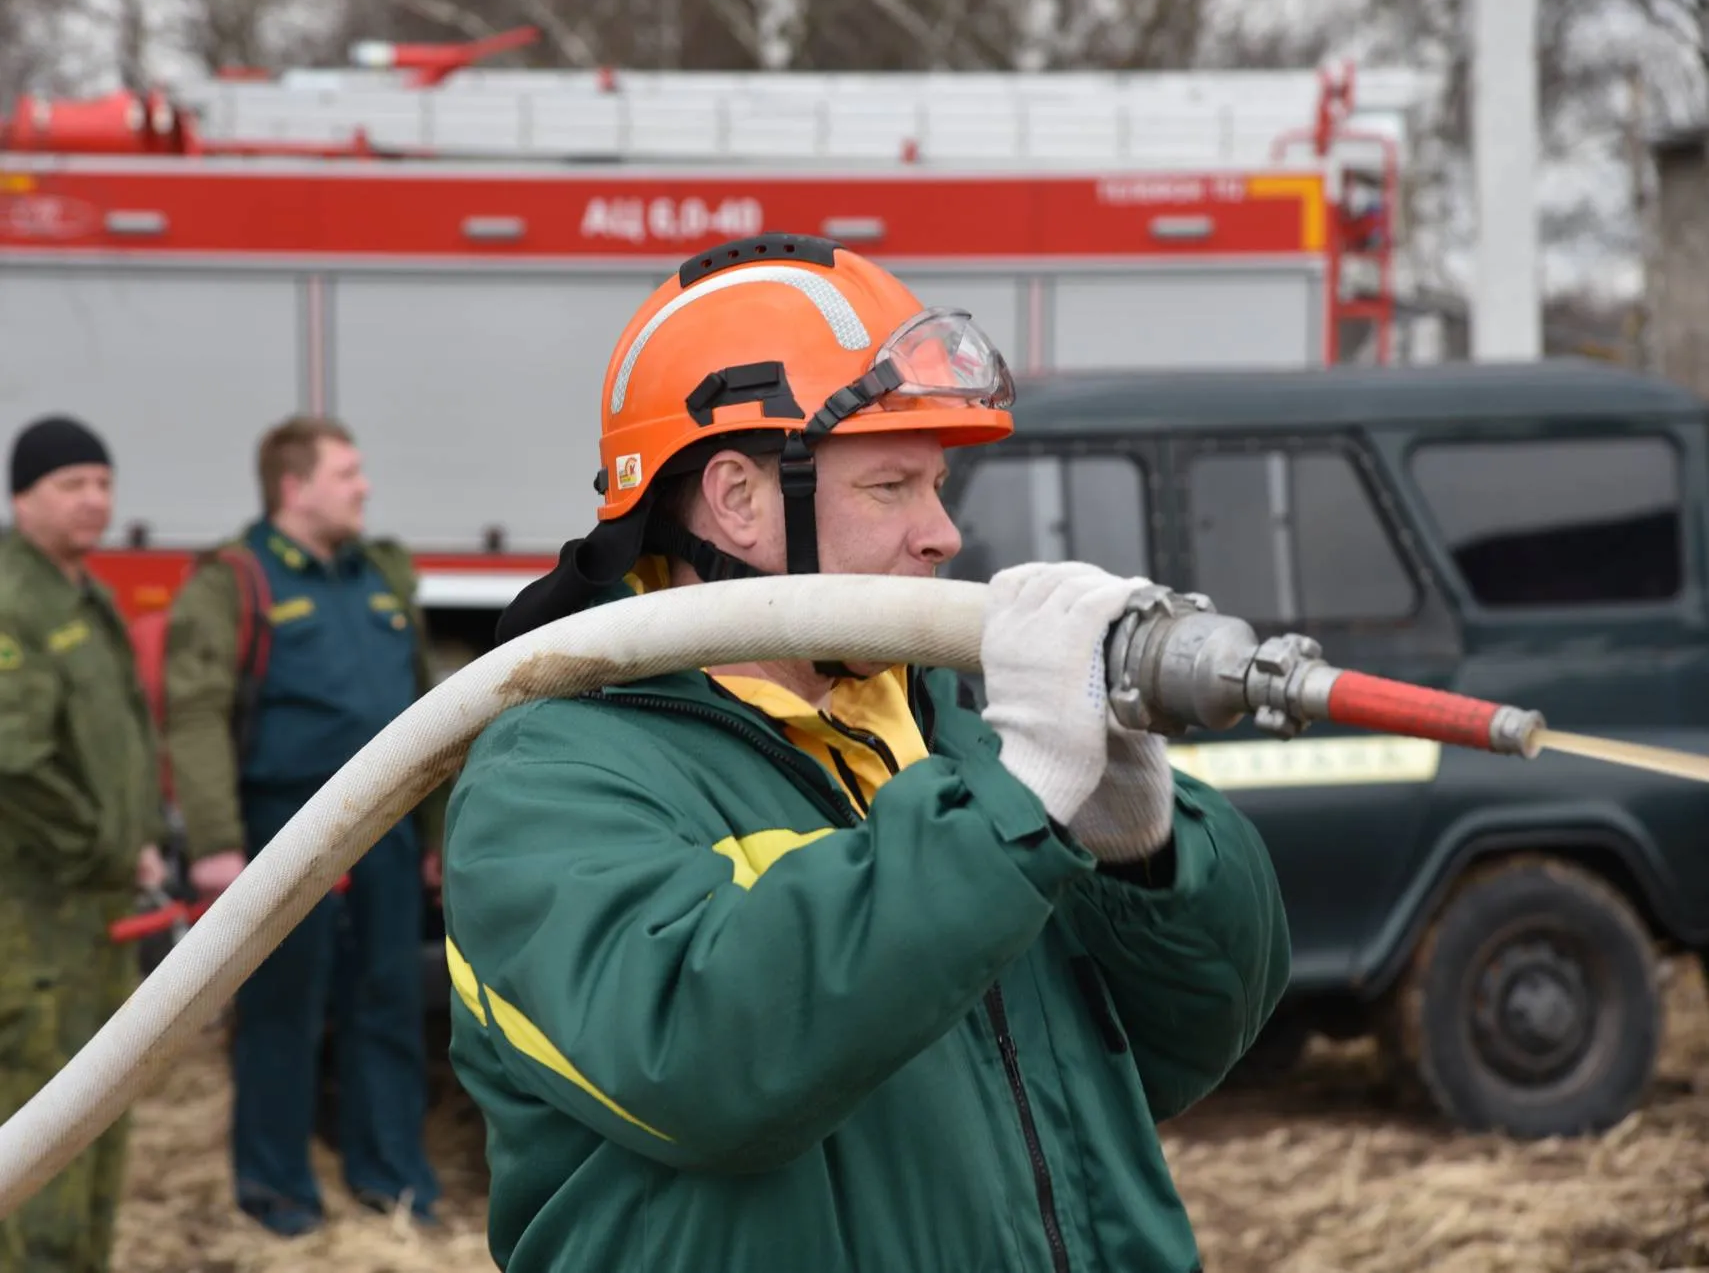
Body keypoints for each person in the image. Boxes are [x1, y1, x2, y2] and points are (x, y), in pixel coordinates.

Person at [441, 233, 1293, 1273]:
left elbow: (1183, 1046)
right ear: (737, 500)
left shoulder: (945, 733)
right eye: (891, 486)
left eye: (936, 485)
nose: (942, 534)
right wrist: (1009, 814)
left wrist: (1147, 856)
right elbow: (700, 1066)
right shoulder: (551, 782)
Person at [161, 415, 444, 1238]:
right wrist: (216, 843)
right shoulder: (234, 582)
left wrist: (433, 835)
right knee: (282, 1010)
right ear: (294, 487)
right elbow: (196, 713)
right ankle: (278, 1192)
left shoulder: (377, 575)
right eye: (346, 473)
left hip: (385, 828)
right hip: (283, 830)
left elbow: (427, 708)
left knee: (387, 1002)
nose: (364, 487)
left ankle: (392, 1181)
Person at [0, 414, 167, 1272]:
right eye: (71, 484)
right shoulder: (14, 600)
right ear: (21, 497)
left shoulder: (83, 593)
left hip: (96, 912)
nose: (94, 500)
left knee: (98, 1107)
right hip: (35, 922)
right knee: (43, 1118)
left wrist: (139, 838)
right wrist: (107, 843)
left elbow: (114, 742)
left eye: (102, 483)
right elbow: (14, 762)